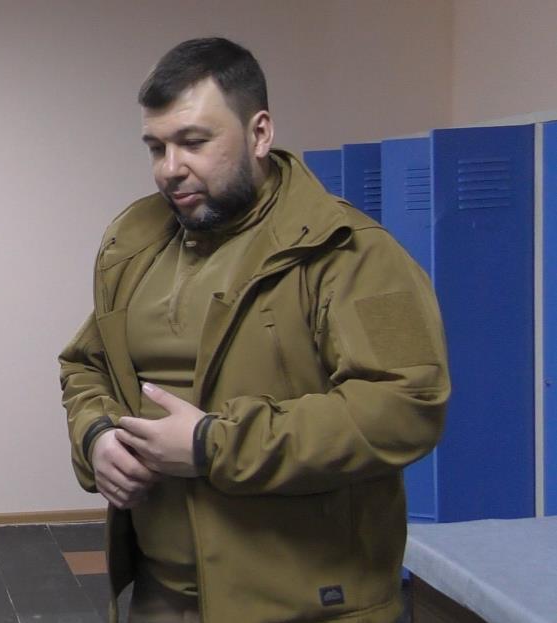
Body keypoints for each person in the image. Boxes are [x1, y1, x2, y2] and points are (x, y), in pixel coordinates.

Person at [59, 38, 449, 623]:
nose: (170, 168)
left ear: (259, 133)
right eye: (156, 147)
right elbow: (85, 364)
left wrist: (211, 444)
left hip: (306, 607)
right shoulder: (134, 244)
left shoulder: (352, 253)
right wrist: (96, 437)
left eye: (194, 142)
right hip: (160, 596)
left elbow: (406, 404)